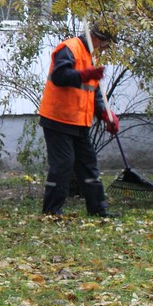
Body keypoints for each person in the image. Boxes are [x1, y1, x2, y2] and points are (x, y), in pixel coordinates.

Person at [37, 25, 121, 219]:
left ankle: (98, 210)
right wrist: (84, 75)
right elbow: (60, 76)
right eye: (106, 45)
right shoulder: (69, 48)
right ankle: (51, 211)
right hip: (57, 118)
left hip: (79, 121)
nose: (105, 49)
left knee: (88, 164)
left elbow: (93, 91)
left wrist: (106, 114)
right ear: (96, 38)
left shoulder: (91, 55)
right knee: (63, 164)